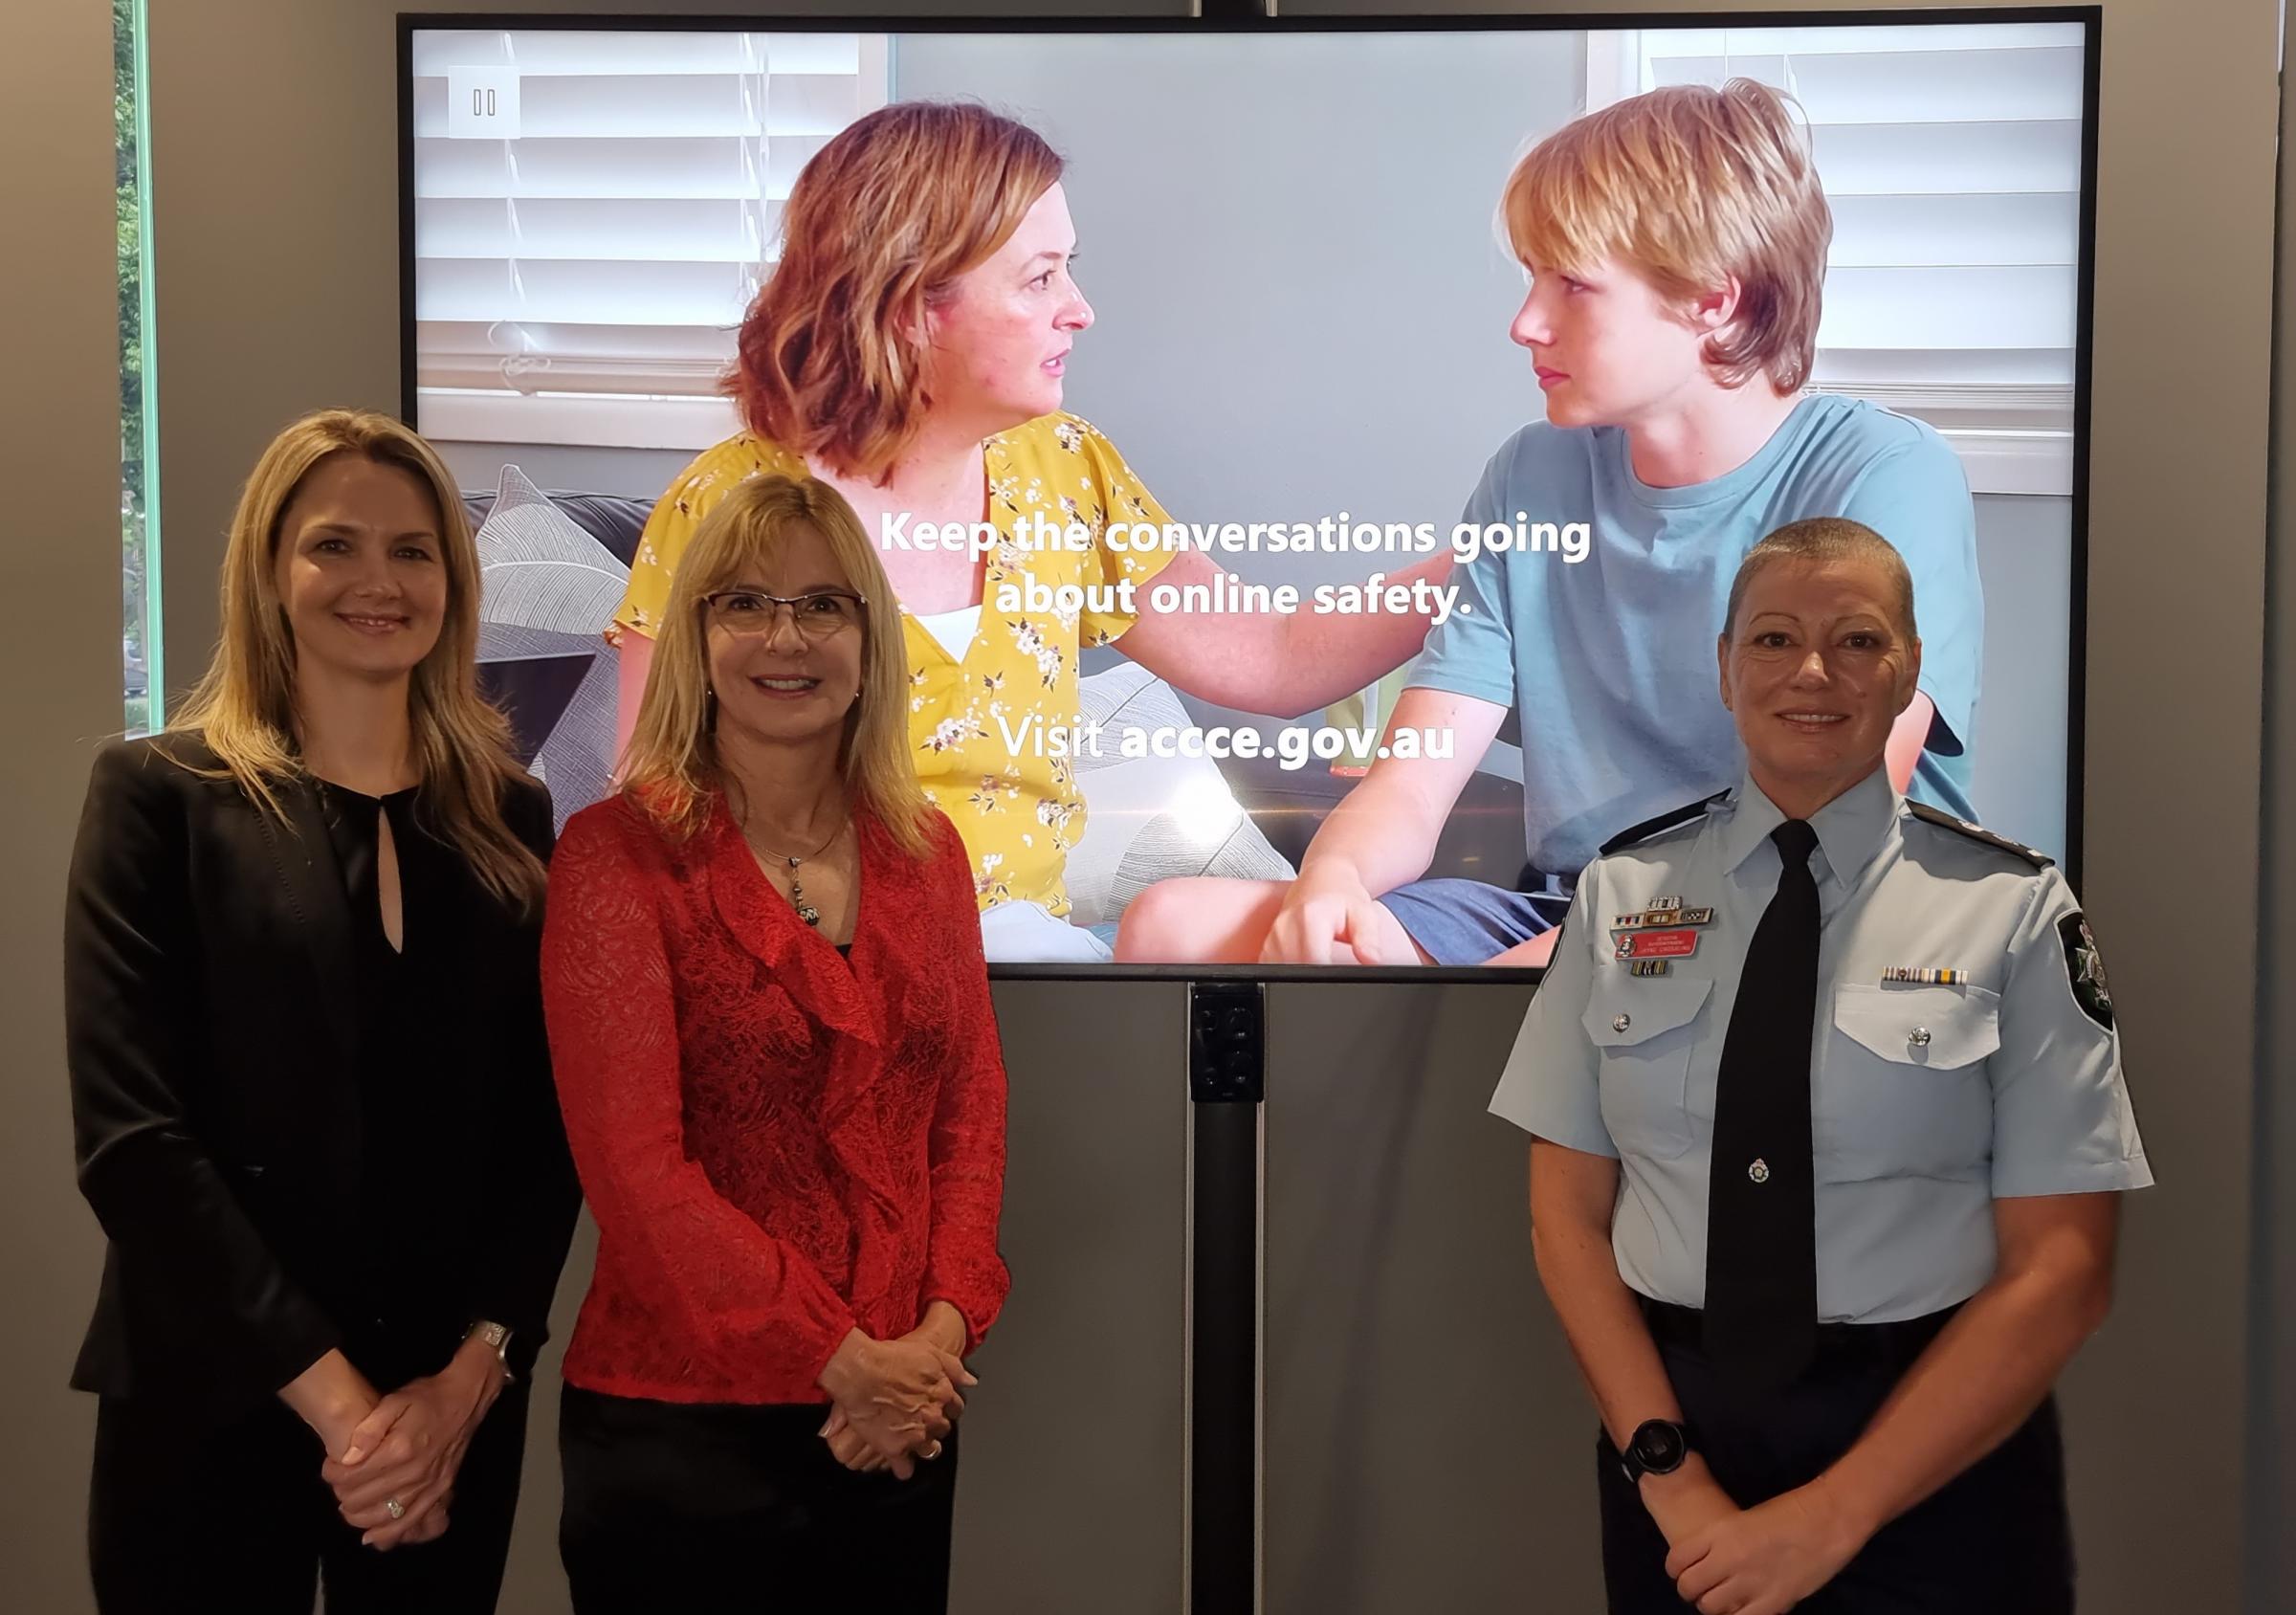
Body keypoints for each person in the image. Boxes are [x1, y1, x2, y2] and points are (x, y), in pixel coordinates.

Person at [1115, 78, 1985, 969]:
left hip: (1812, 919)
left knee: (1545, 1016)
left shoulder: (1883, 476)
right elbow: (1412, 785)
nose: (1526, 322)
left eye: (1572, 284)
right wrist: (1332, 885)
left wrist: (1529, 983)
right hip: (1570, 908)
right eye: (1532, 279)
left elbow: (1823, 824)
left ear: (1712, 299)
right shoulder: (1531, 478)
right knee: (1172, 926)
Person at [608, 100, 1451, 962]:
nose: (1079, 309)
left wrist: (1485, 566)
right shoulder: (725, 506)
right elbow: (653, 810)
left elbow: (1269, 652)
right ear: (910, 303)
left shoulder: (1064, 469)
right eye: (1040, 277)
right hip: (806, 968)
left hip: (1026, 968)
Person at [1490, 519, 2149, 1613]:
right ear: (1724, 667)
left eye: (1856, 640)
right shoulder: (1621, 894)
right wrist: (1668, 1471)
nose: (1811, 671)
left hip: (1938, 1457)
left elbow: (2064, 1266)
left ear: (1908, 671)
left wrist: (1836, 1511)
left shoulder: (2013, 909)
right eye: (1774, 638)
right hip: (1678, 1449)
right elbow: (1565, 1220)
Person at [64, 409, 581, 1614]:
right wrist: (351, 1416)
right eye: (334, 544)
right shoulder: (157, 799)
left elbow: (542, 1137)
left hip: (446, 1415)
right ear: (268, 569)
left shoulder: (514, 819)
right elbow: (133, 1143)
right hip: (211, 1399)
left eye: (414, 550)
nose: (378, 581)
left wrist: (472, 1377)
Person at [544, 473, 1010, 1612]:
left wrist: (938, 1336)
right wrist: (842, 1357)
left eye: (824, 605)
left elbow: (968, 1114)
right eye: (744, 603)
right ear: (699, 635)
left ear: (870, 636)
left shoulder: (927, 851)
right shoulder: (617, 855)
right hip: (685, 1438)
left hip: (900, 1421)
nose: (784, 636)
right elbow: (636, 1174)